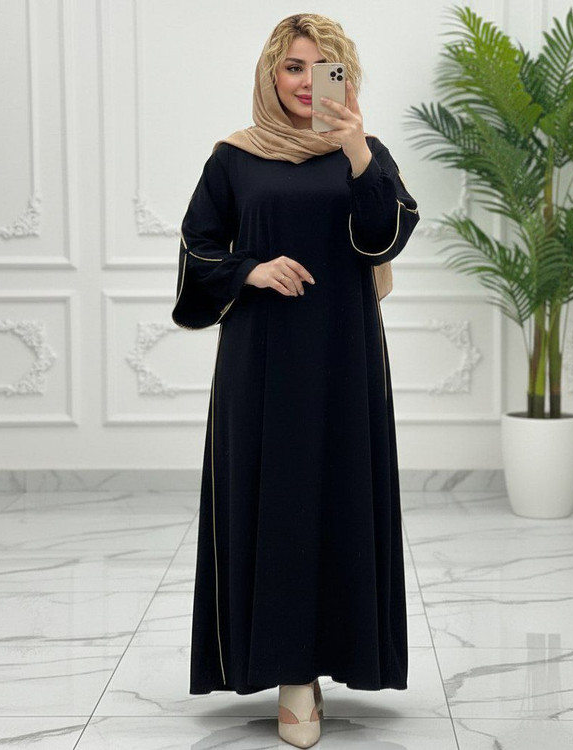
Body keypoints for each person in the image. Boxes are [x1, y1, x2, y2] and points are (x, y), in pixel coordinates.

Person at [177, 13, 420, 748]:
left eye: (322, 68)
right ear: (270, 74)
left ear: (344, 75)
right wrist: (251, 269)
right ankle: (290, 674)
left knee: (341, 497)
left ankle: (334, 658)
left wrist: (356, 151)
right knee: (273, 502)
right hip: (261, 359)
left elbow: (385, 236)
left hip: (344, 358)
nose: (305, 82)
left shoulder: (363, 152)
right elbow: (197, 248)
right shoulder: (235, 158)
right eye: (292, 67)